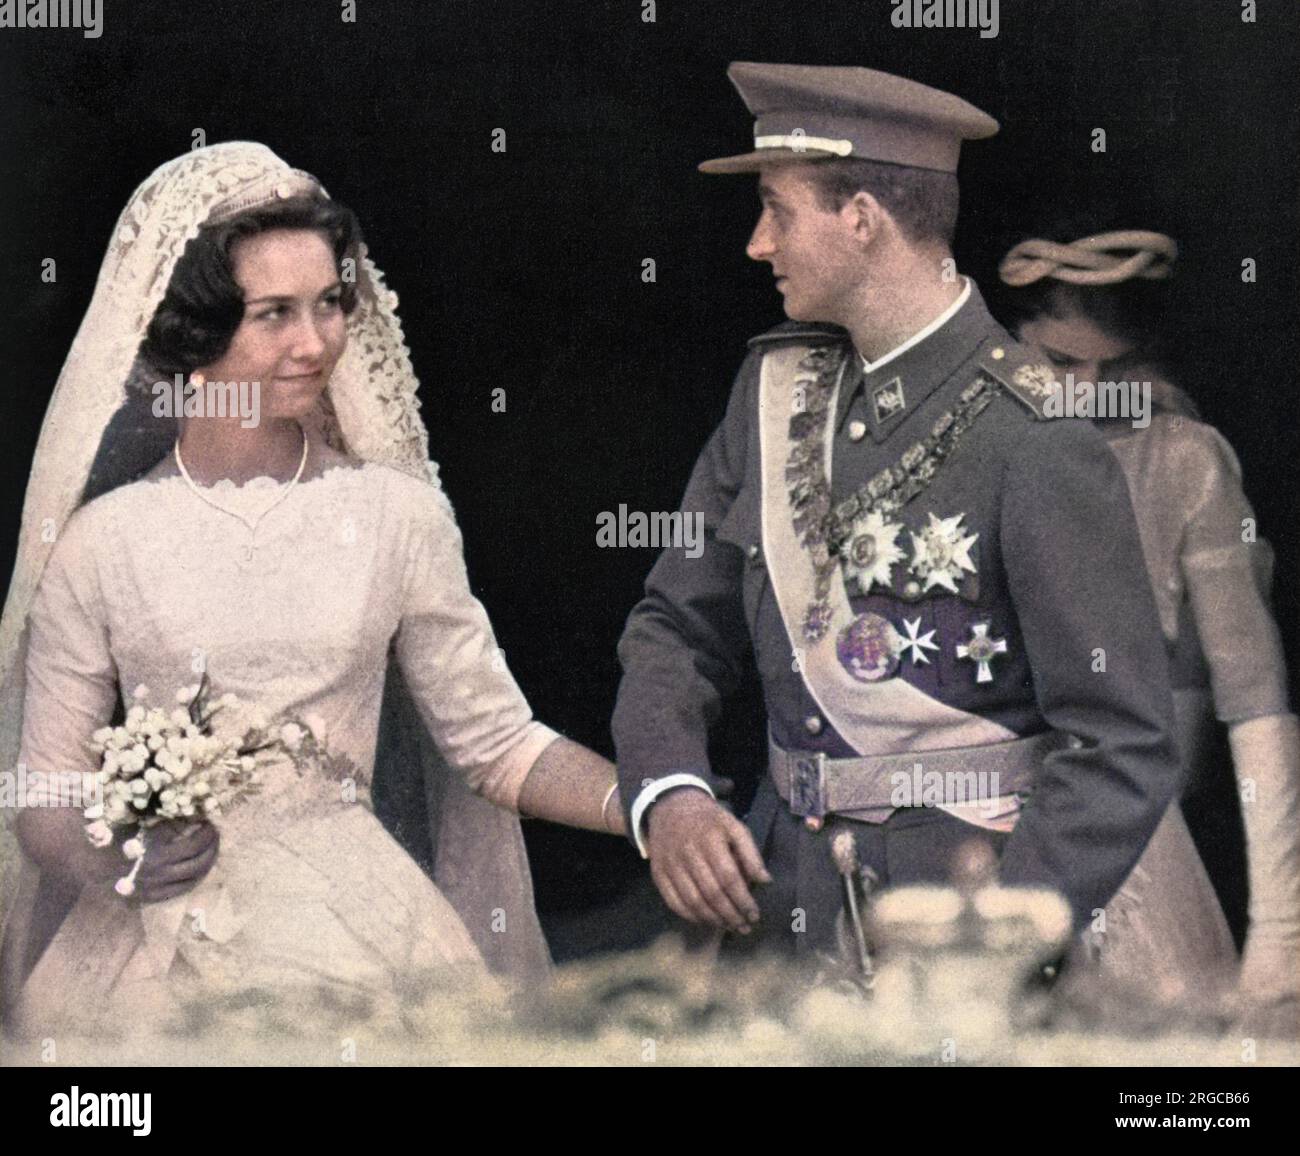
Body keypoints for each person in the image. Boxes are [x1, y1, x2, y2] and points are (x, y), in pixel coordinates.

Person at [0, 143, 624, 1043]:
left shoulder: (392, 516)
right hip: (145, 956)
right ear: (192, 329)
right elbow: (45, 798)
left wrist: (651, 807)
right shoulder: (102, 542)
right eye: (275, 314)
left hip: (363, 930)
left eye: (331, 303)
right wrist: (122, 858)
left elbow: (495, 745)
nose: (317, 340)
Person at [611, 63, 1184, 979]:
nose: (759, 244)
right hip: (777, 905)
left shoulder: (1033, 435)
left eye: (777, 209)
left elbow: (1121, 741)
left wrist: (993, 939)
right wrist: (670, 790)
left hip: (956, 924)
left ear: (863, 217)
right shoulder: (770, 391)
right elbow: (676, 624)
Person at [998, 225, 1300, 1017]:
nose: (1088, 389)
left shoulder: (1185, 460)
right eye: (1060, 362)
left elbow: (1256, 703)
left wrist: (1281, 933)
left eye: (1116, 367)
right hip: (958, 827)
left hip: (1126, 840)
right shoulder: (962, 444)